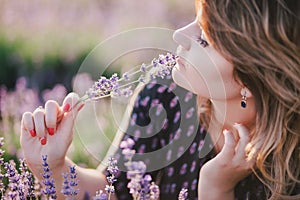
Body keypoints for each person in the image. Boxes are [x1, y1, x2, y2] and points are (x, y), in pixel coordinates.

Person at [20, 0, 299, 199]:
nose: (179, 34)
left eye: (205, 38)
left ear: (251, 75)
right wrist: (54, 168)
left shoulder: (292, 162)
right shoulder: (164, 98)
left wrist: (216, 190)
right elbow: (114, 191)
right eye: (195, 19)